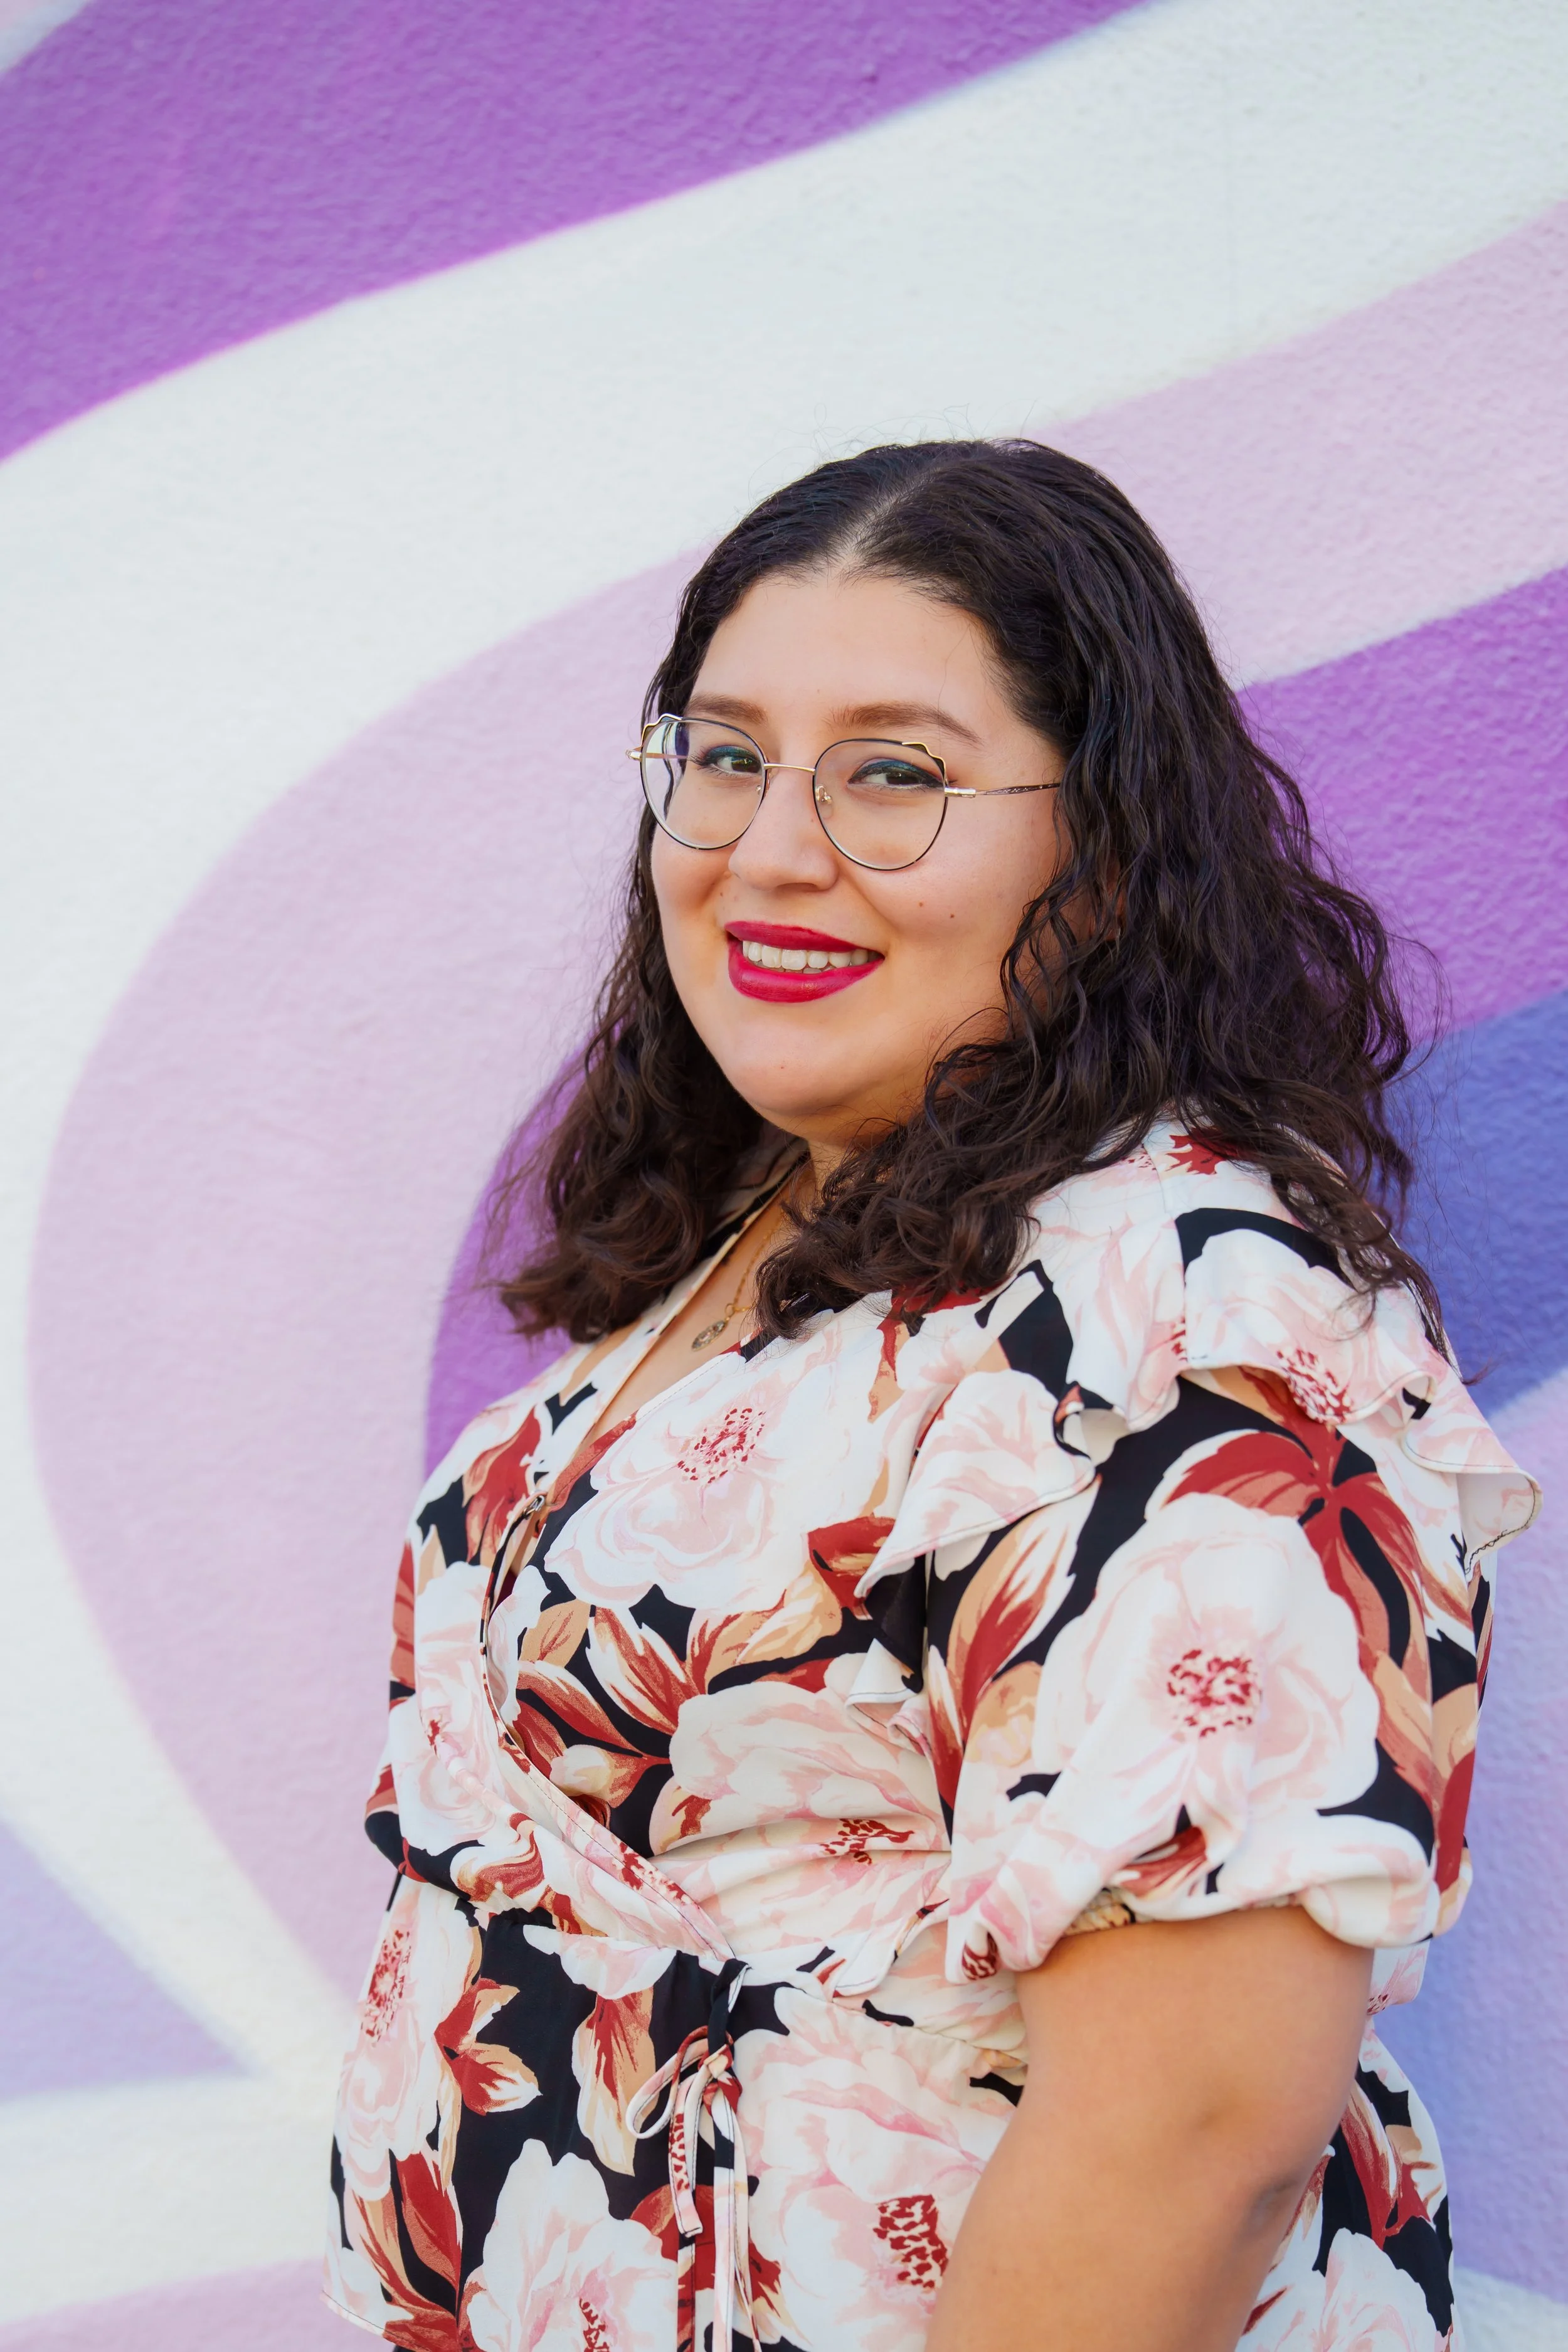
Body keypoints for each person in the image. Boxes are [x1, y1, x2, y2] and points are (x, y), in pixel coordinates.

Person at [324, 441, 1537, 2352]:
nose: (773, 845)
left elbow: (1197, 2126)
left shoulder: (1175, 1322)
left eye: (893, 772)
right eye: (723, 755)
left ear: (1109, 847)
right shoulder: (760, 1250)